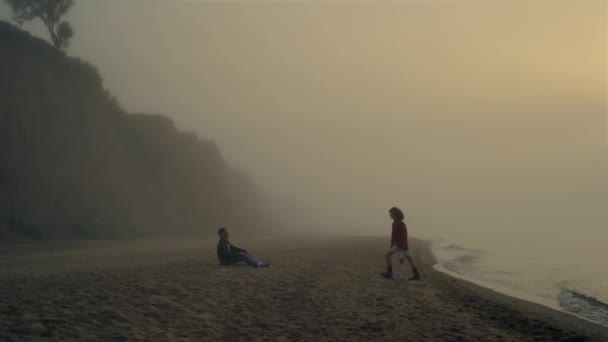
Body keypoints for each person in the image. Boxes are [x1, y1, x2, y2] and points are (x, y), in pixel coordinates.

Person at [381, 207, 421, 280]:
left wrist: (398, 247)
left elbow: (402, 236)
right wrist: (392, 244)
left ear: (395, 214)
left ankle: (389, 273)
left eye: (391, 214)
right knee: (409, 259)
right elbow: (394, 234)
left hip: (400, 245)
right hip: (402, 245)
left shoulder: (399, 224)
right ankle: (416, 274)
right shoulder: (396, 223)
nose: (390, 215)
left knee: (387, 255)